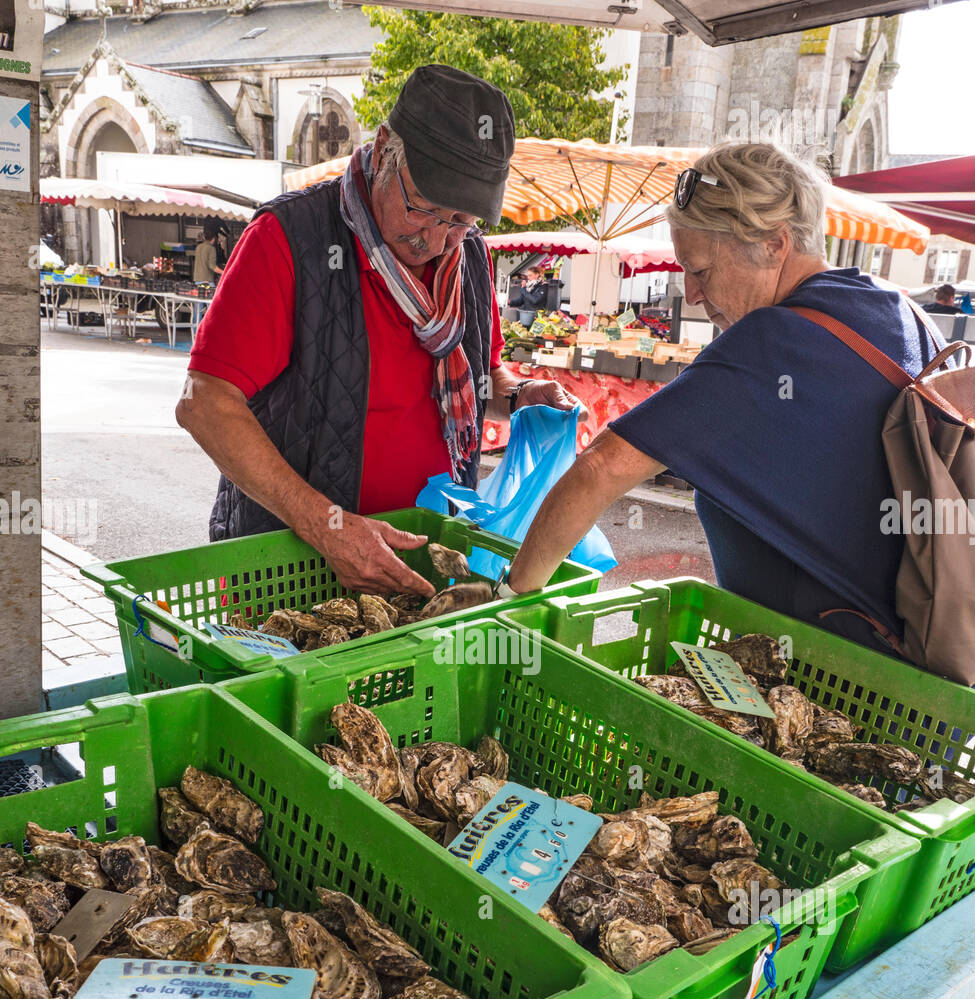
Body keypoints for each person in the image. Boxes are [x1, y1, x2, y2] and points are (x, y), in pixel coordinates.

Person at [507, 142, 946, 655]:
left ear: (774, 244)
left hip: (829, 671)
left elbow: (601, 468)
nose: (690, 294)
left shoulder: (773, 339)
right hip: (927, 666)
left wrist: (511, 596)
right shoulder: (901, 311)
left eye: (701, 270)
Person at [176, 64, 584, 595]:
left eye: (461, 221)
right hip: (293, 567)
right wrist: (329, 526)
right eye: (425, 208)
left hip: (425, 566)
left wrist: (523, 395)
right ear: (386, 146)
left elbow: (481, 380)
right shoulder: (288, 239)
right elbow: (204, 402)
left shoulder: (472, 260)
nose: (436, 241)